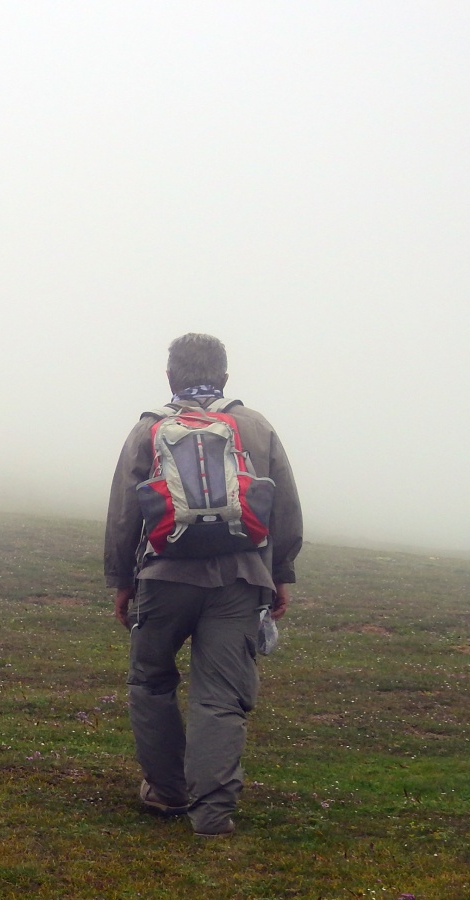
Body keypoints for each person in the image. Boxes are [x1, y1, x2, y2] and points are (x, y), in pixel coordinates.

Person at [103, 334, 302, 837]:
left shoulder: (149, 429)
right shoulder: (255, 426)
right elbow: (285, 507)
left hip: (163, 575)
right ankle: (212, 814)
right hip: (239, 578)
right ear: (226, 376)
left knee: (150, 681)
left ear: (169, 376)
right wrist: (280, 573)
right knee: (220, 695)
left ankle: (167, 791)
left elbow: (125, 512)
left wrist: (121, 580)